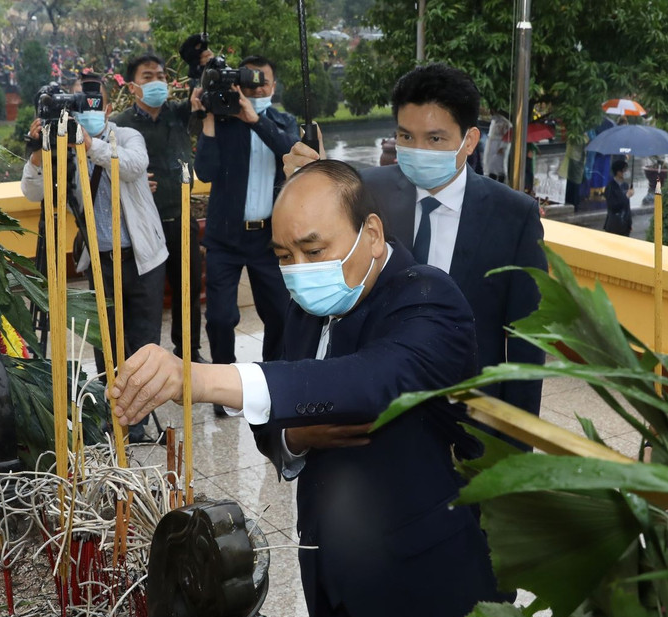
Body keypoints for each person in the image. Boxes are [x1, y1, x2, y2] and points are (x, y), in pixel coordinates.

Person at [110, 160, 503, 617]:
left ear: (371, 232)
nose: (297, 271)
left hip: (422, 603)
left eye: (313, 249)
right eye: (283, 255)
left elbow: (369, 381)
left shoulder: (430, 300)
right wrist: (294, 434)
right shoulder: (303, 308)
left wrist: (196, 378)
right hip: (333, 591)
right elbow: (281, 406)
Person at [284, 62, 547, 423]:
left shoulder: (514, 216)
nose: (417, 149)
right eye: (406, 137)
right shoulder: (364, 193)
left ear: (469, 140)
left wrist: (514, 450)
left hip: (467, 421)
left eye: (435, 139)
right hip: (371, 414)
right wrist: (312, 188)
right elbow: (317, 283)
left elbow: (525, 346)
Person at [21, 71, 167, 442]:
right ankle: (114, 416)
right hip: (99, 261)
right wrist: (39, 147)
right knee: (107, 344)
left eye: (94, 103)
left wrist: (90, 144)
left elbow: (133, 166)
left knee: (144, 342)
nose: (87, 109)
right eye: (78, 104)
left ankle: (138, 422)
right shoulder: (62, 148)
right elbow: (33, 192)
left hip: (143, 257)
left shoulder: (125, 136)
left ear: (109, 105)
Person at [191, 55, 299, 415]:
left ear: (274, 86)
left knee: (279, 316)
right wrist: (209, 113)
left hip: (270, 239)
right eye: (249, 85)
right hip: (225, 238)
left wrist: (255, 120)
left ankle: (269, 383)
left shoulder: (284, 123)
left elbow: (292, 155)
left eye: (262, 84)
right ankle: (225, 388)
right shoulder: (222, 122)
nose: (256, 90)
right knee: (221, 318)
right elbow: (204, 171)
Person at [113, 52, 210, 364]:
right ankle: (144, 359)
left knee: (189, 291)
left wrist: (202, 65)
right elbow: (108, 173)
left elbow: (202, 94)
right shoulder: (119, 126)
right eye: (147, 77)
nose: (156, 82)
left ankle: (189, 353)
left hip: (181, 219)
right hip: (143, 229)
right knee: (146, 299)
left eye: (161, 76)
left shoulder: (180, 114)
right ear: (132, 87)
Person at [604, 158, 633, 236]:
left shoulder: (625, 185)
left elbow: (627, 207)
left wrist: (629, 223)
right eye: (625, 170)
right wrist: (627, 196)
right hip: (614, 226)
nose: (627, 172)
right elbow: (613, 206)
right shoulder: (610, 187)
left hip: (625, 226)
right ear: (618, 172)